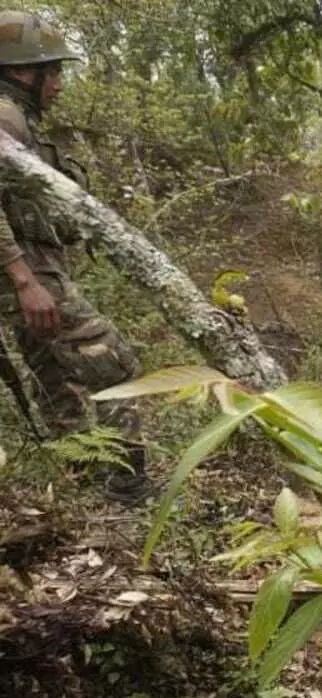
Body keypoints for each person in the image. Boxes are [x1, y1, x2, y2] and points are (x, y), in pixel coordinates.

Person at [0, 11, 148, 502]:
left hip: (32, 272)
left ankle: (82, 496)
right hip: (27, 275)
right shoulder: (3, 117)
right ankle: (127, 492)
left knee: (58, 381)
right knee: (115, 367)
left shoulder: (14, 117)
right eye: (54, 71)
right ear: (24, 72)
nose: (59, 84)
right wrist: (24, 281)